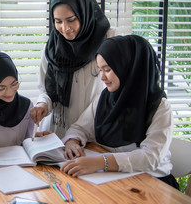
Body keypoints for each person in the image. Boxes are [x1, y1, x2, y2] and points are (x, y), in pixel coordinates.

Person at [60, 35, 179, 189]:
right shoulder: (106, 99)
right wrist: (72, 142)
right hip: (115, 179)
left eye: (107, 70)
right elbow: (80, 128)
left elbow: (151, 158)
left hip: (152, 184)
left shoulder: (160, 108)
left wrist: (100, 162)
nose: (102, 77)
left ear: (129, 67)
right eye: (100, 70)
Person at [31, 0, 111, 138]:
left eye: (71, 19)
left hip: (93, 133)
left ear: (84, 13)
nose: (65, 28)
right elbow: (46, 91)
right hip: (57, 134)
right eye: (58, 21)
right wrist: (42, 104)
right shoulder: (52, 48)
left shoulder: (109, 42)